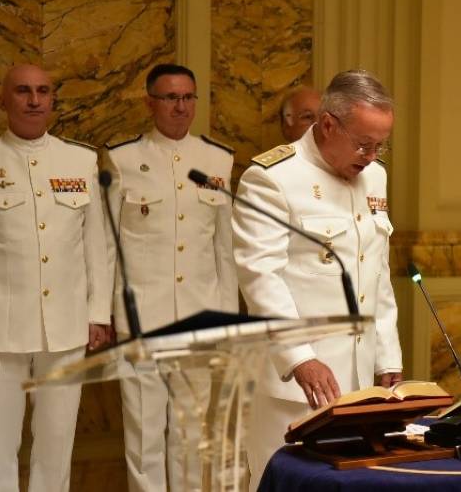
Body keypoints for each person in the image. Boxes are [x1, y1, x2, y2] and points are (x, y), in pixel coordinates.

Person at [233, 69, 403, 490]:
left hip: (358, 382)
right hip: (294, 385)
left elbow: (376, 273)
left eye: (380, 145)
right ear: (328, 124)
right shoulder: (272, 178)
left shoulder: (375, 176)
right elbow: (261, 278)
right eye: (364, 143)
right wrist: (300, 358)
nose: (371, 155)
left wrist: (387, 358)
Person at [102, 63, 238, 491]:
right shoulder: (123, 159)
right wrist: (104, 315)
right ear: (150, 103)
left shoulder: (217, 159)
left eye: (188, 97)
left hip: (199, 319)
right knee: (144, 435)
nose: (181, 107)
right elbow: (108, 247)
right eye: (171, 98)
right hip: (142, 319)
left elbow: (225, 250)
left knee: (191, 435)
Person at [0, 64, 112, 491]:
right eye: (23, 91)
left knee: (57, 442)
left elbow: (96, 244)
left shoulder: (79, 160)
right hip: (2, 326)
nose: (34, 100)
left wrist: (99, 313)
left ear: (52, 100)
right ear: (3, 99)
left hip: (66, 324)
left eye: (43, 91)